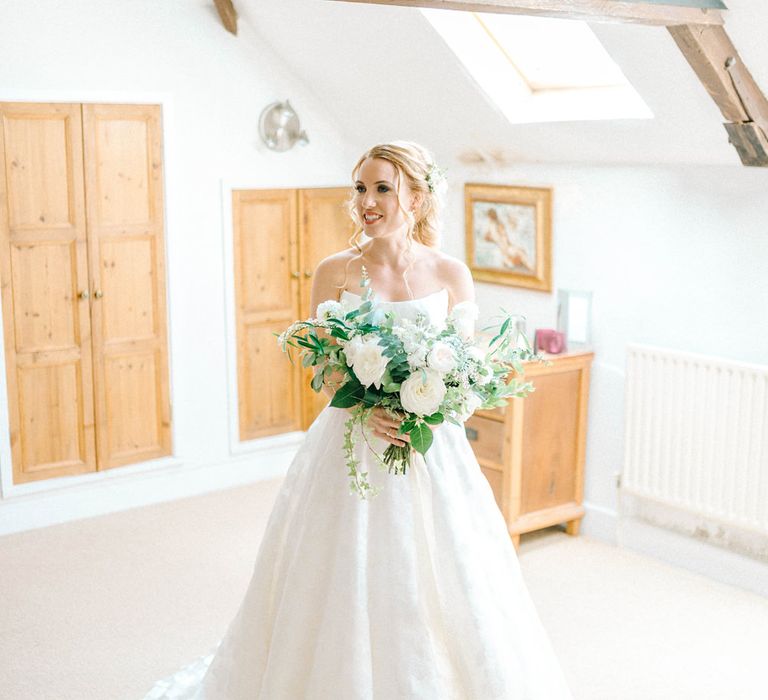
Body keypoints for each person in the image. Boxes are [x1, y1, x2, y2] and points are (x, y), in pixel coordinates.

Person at [142, 142, 573, 699]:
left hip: (430, 451)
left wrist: (428, 407)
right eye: (361, 188)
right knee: (337, 578)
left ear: (416, 197)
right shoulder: (335, 272)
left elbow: (465, 374)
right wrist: (368, 413)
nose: (367, 202)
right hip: (351, 443)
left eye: (382, 188)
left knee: (446, 578)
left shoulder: (451, 273)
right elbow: (322, 372)